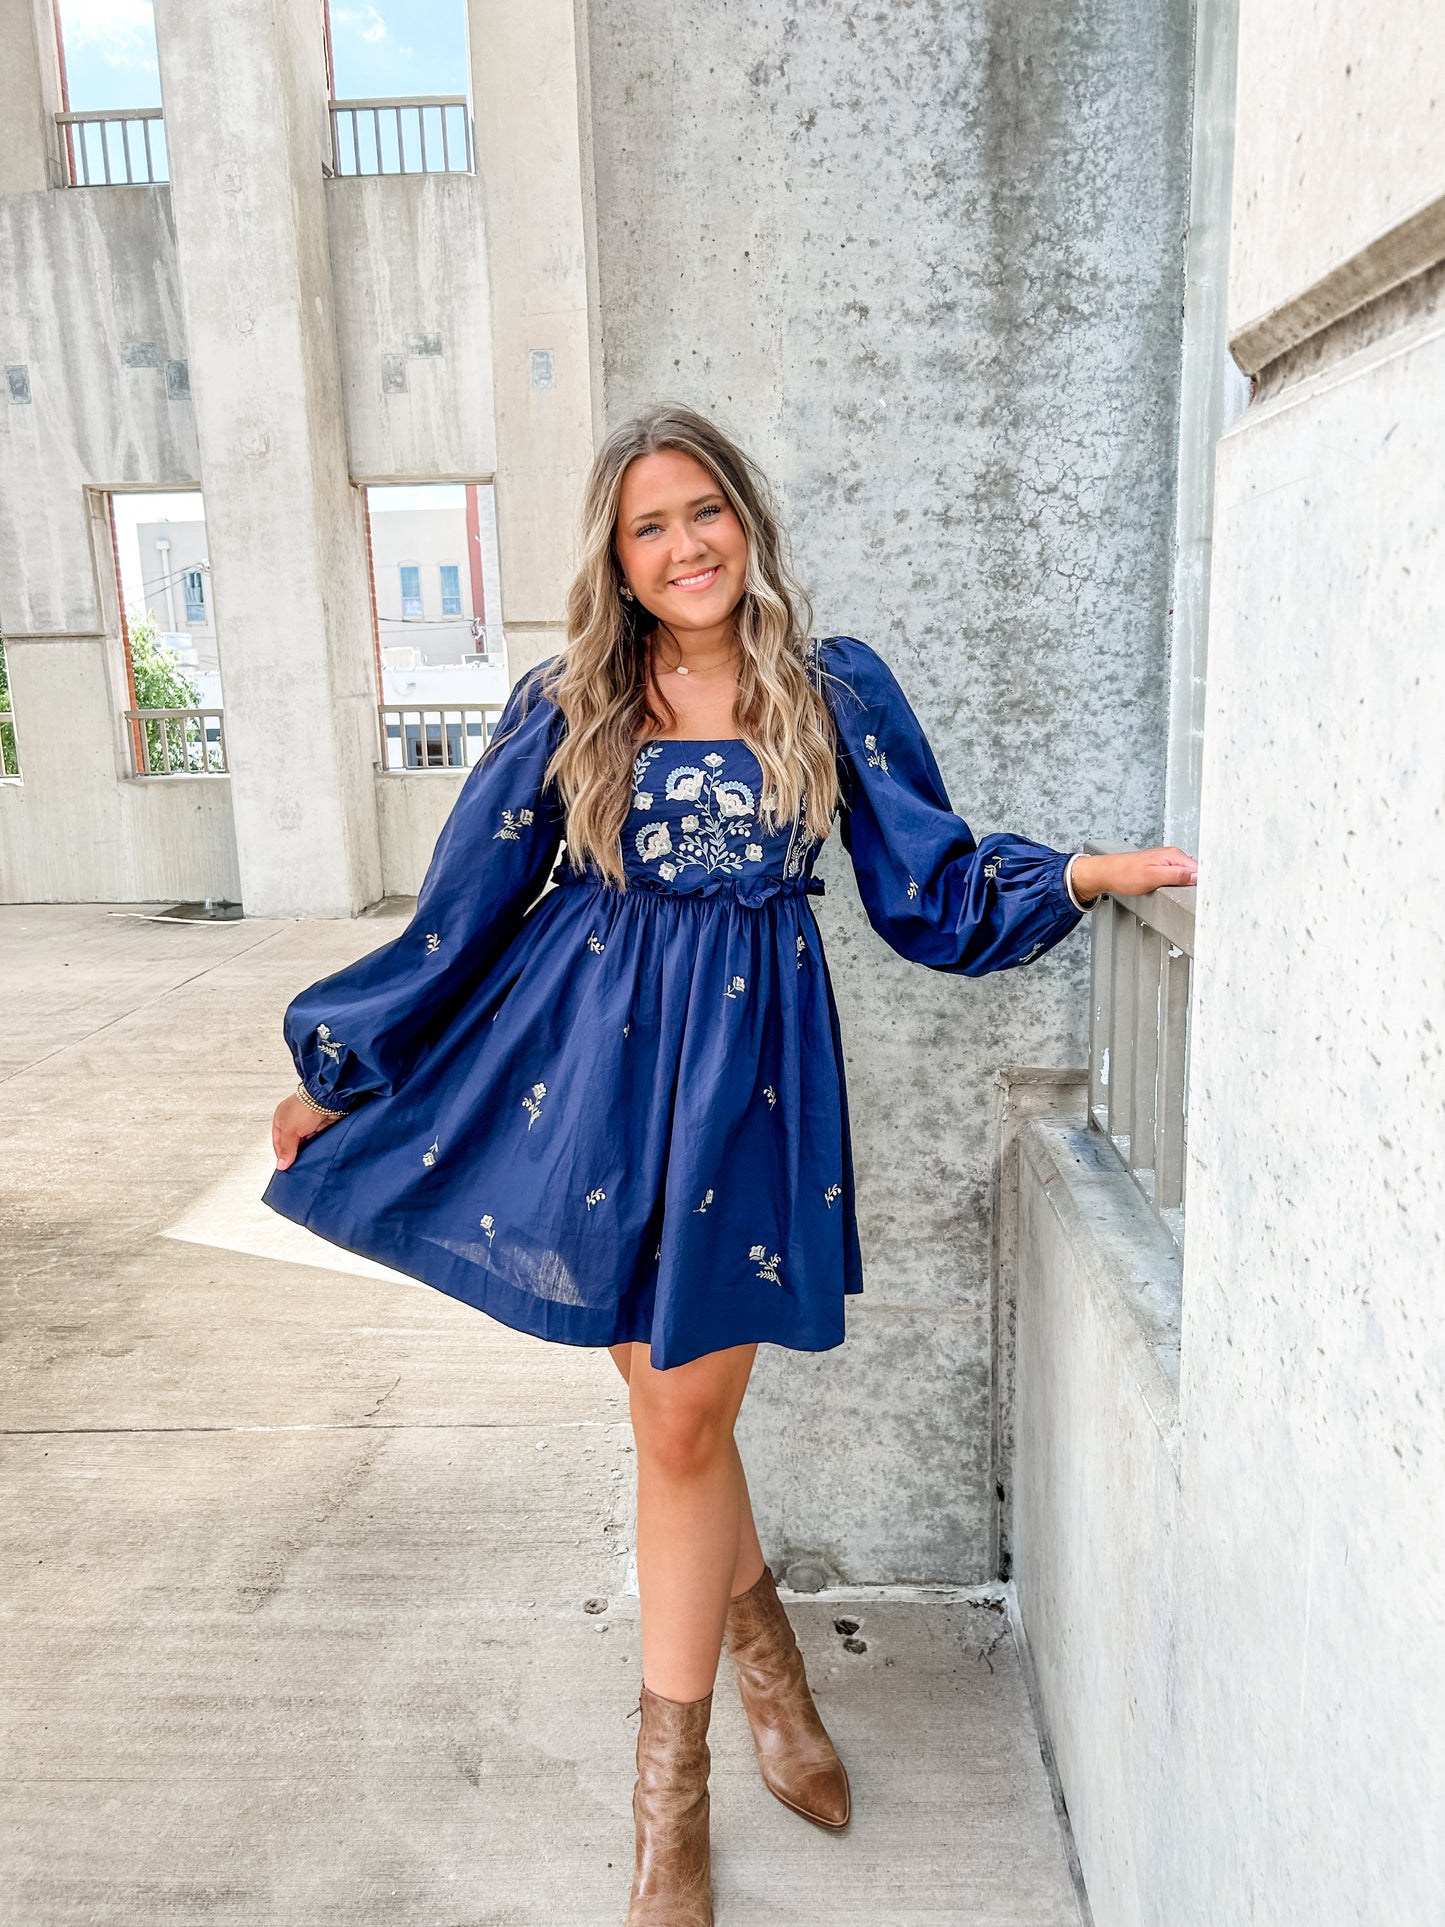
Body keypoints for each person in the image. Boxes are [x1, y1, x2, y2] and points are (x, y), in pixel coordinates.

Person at [264, 404, 1197, 1925]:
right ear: (617, 561)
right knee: (672, 1416)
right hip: (586, 1077)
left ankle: (676, 1789)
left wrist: (1079, 874)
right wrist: (338, 1066)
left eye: (703, 512)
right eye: (649, 526)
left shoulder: (829, 692)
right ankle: (742, 1704)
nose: (683, 545)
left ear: (743, 524)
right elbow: (462, 912)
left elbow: (926, 886)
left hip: (746, 1084)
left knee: (684, 1414)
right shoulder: (567, 701)